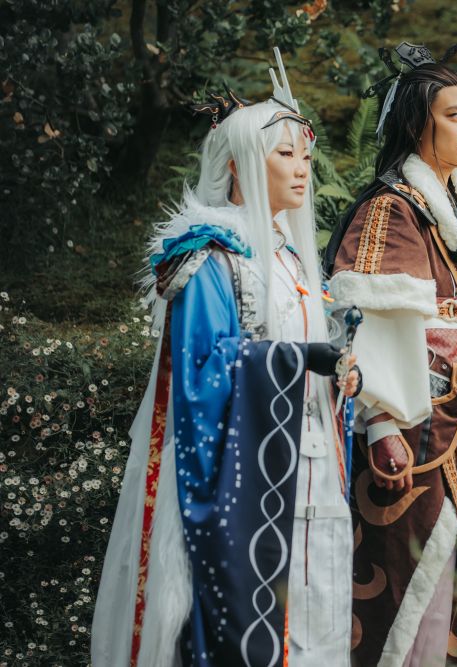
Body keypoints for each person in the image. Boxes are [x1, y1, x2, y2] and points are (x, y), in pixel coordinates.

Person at [92, 53, 359, 667]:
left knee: (315, 614)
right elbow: (203, 370)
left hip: (313, 468)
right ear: (239, 164)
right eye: (285, 153)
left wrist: (343, 375)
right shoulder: (211, 258)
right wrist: (299, 359)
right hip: (250, 473)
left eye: (306, 154)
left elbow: (315, 355)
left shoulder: (294, 261)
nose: (303, 167)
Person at [324, 42, 457, 666]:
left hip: (456, 427)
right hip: (403, 436)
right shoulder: (389, 209)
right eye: (453, 116)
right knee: (403, 594)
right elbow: (360, 326)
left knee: (455, 589)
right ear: (418, 122)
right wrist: (380, 424)